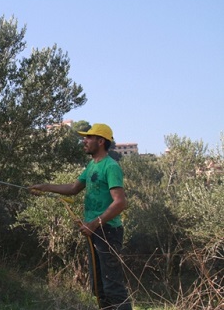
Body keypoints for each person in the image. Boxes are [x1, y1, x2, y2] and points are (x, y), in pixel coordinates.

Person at [30, 123, 132, 310]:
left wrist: (94, 224)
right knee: (98, 288)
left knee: (113, 287)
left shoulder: (111, 167)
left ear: (101, 141)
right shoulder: (91, 165)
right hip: (94, 231)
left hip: (108, 231)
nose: (84, 141)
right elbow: (73, 188)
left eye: (88, 137)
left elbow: (120, 203)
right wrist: (44, 186)